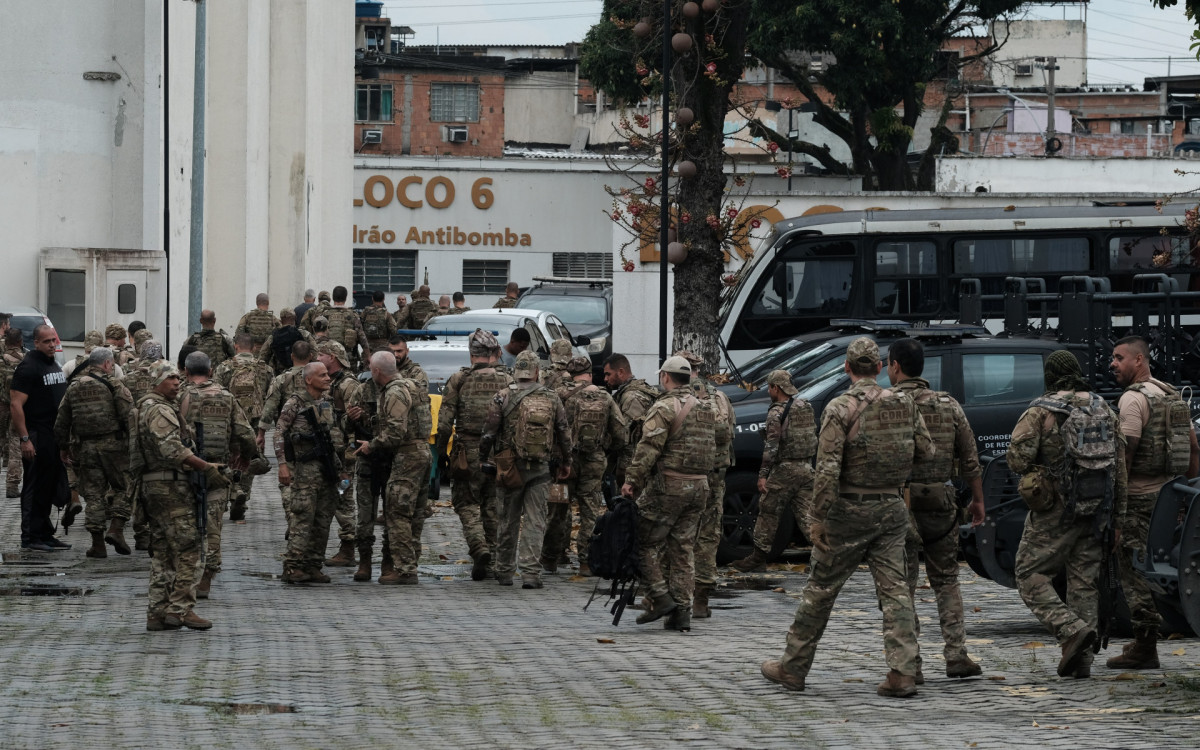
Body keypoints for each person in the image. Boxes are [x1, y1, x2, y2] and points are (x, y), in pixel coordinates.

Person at [761, 337, 932, 698]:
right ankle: (903, 671)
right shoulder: (903, 402)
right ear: (882, 368)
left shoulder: (840, 407)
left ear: (847, 368)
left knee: (820, 590)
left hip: (848, 510)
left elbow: (826, 469)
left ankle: (793, 668)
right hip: (890, 508)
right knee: (896, 591)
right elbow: (927, 451)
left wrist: (818, 518)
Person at [1008, 349, 1126, 680]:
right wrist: (1117, 520)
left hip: (1054, 514)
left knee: (1028, 574)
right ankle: (1082, 660)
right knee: (1084, 584)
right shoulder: (1104, 408)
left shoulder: (1041, 410)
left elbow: (1018, 459)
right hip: (1097, 511)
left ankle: (1070, 629)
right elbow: (1121, 469)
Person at [888, 337, 986, 681]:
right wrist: (978, 499)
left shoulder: (888, 404)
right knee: (946, 579)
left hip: (900, 502)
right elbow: (970, 456)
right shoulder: (948, 405)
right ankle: (956, 654)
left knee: (903, 584)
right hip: (942, 500)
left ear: (896, 367)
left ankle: (910, 663)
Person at [1106, 336, 1198, 670]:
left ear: (1139, 360)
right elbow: (1193, 449)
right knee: (1158, 567)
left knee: (1132, 572)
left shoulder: (1131, 399)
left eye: (1119, 358)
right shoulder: (1170, 395)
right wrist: (1188, 495)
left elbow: (1125, 453)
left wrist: (1115, 504)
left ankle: (1145, 645)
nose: (1112, 364)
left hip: (1138, 498)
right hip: (1169, 497)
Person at [618, 356, 714, 632]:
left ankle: (659, 597)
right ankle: (681, 612)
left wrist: (632, 481)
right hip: (699, 487)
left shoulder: (663, 406)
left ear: (665, 377)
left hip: (669, 486)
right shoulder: (705, 408)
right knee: (683, 550)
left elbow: (648, 447)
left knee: (641, 541)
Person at [134, 361, 229, 631]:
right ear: (156, 382)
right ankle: (180, 609)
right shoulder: (160, 410)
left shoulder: (145, 406)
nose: (176, 383)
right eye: (170, 378)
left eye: (178, 378)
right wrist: (206, 467)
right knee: (190, 548)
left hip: (156, 489)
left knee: (163, 552)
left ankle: (157, 612)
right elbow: (172, 450)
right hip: (170, 488)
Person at [479, 350, 572, 589]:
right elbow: (563, 432)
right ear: (537, 372)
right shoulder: (551, 397)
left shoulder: (502, 396)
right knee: (535, 519)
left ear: (516, 371)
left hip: (509, 466)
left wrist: (484, 458)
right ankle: (531, 573)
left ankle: (504, 571)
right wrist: (566, 461)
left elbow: (488, 431)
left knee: (507, 519)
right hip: (540, 466)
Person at [436, 330, 514, 580]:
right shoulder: (507, 380)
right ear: (494, 352)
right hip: (498, 452)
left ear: (471, 354)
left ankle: (478, 547)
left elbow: (445, 421)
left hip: (466, 451)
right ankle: (491, 559)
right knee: (492, 505)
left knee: (466, 502)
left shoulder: (459, 379)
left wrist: (440, 452)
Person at [178, 351, 256, 599]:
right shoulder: (227, 397)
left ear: (186, 372)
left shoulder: (179, 395)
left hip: (186, 469)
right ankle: (206, 579)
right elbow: (245, 433)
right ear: (211, 371)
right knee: (213, 527)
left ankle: (183, 575)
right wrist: (245, 456)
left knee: (185, 525)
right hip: (218, 470)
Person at [541, 356, 626, 576]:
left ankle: (550, 558)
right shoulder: (604, 396)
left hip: (563, 463)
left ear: (569, 373)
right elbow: (620, 433)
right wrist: (604, 449)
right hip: (594, 461)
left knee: (557, 511)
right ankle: (586, 561)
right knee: (589, 511)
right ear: (589, 373)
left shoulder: (558, 394)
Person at [354, 352, 430, 585]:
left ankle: (404, 569)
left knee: (397, 514)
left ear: (376, 371)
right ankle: (409, 563)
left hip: (407, 457)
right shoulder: (413, 385)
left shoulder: (395, 391)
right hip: (423, 454)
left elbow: (396, 431)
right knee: (414, 513)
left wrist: (371, 445)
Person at [731, 370, 816, 574]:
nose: (768, 391)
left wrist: (762, 475)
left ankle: (758, 558)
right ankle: (825, 556)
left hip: (785, 469)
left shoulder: (776, 413)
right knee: (808, 515)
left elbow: (771, 447)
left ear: (775, 388)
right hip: (806, 467)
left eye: (769, 387)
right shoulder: (806, 407)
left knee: (768, 511)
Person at [54, 347, 134, 558]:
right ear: (108, 364)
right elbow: (129, 416)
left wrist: (63, 447)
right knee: (126, 487)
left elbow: (62, 420)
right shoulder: (115, 384)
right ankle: (116, 528)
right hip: (115, 448)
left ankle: (97, 544)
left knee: (93, 494)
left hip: (86, 448)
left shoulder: (73, 387)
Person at [675, 350, 735, 621]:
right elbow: (728, 432)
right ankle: (701, 599)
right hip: (714, 475)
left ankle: (672, 594)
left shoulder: (675, 396)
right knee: (708, 536)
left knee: (678, 534)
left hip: (683, 475)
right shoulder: (719, 396)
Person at [274, 361, 345, 583]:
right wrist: (283, 464)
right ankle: (293, 566)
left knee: (323, 518)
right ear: (308, 379)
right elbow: (278, 433)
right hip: (305, 470)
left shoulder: (327, 402)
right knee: (302, 517)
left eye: (327, 374)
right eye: (322, 375)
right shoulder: (295, 403)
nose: (327, 378)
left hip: (327, 468)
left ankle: (314, 564)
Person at [11, 325, 71, 552]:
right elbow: (16, 405)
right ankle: (30, 536)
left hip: (53, 435)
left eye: (53, 341)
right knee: (34, 487)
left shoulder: (53, 364)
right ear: (35, 342)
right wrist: (25, 439)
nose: (52, 345)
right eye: (46, 341)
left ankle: (45, 533)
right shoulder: (28, 367)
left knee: (49, 485)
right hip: (36, 434)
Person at [214, 333, 274, 522]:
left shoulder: (225, 367)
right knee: (249, 459)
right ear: (254, 347)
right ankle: (242, 496)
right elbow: (270, 396)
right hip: (255, 422)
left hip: (231, 421)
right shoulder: (265, 369)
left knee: (230, 458)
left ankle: (232, 491)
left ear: (236, 346)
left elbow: (217, 394)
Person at [318, 341, 361, 567]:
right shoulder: (328, 381)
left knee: (343, 498)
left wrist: (350, 455)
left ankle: (348, 548)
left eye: (321, 354)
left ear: (333, 357)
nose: (317, 357)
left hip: (344, 456)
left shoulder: (348, 385)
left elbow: (355, 421)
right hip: (328, 453)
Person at [603, 353, 659, 487]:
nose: (605, 379)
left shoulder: (631, 397)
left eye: (608, 374)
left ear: (620, 372)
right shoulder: (636, 391)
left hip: (633, 463)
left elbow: (624, 435)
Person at [322, 285, 371, 369]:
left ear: (333, 298)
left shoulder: (325, 314)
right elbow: (361, 337)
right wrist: (367, 354)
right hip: (348, 359)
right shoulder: (353, 315)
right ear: (345, 298)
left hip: (329, 358)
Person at [260, 308, 316, 375]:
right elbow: (315, 352)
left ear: (280, 320)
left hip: (280, 375)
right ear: (295, 318)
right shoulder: (304, 334)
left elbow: (263, 357)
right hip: (303, 373)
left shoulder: (273, 337)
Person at [4, 326, 26, 498]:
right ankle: (12, 484)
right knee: (16, 445)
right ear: (20, 342)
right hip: (20, 407)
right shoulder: (26, 361)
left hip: (2, 406)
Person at [360, 290, 396, 355]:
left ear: (372, 298)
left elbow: (359, 328)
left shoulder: (365, 313)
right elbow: (393, 331)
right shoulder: (386, 314)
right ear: (383, 299)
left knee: (367, 363)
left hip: (368, 346)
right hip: (382, 347)